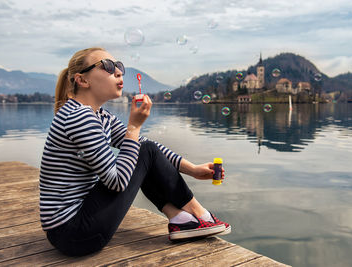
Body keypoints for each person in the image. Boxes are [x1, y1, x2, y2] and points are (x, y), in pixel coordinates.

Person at [39, 47, 231, 256]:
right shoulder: (79, 117)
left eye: (119, 66)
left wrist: (192, 169)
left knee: (143, 148)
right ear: (82, 81)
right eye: (108, 67)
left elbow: (145, 148)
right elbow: (118, 181)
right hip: (74, 234)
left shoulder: (98, 115)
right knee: (142, 150)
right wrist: (133, 127)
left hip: (74, 228)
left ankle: (180, 218)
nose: (119, 72)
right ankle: (199, 214)